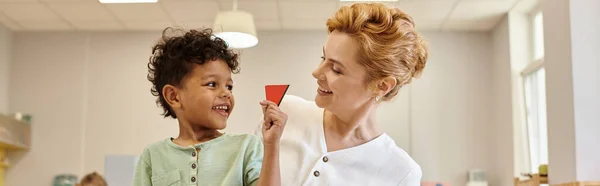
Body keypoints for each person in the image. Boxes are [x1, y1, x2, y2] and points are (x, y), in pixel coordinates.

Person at [256, 3, 428, 185]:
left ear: (382, 85)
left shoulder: (401, 173)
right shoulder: (284, 114)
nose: (316, 72)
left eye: (337, 69)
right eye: (323, 58)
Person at [133, 27, 287, 186]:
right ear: (174, 96)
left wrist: (271, 144)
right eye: (212, 84)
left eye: (229, 86)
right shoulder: (153, 156)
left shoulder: (246, 147)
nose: (226, 93)